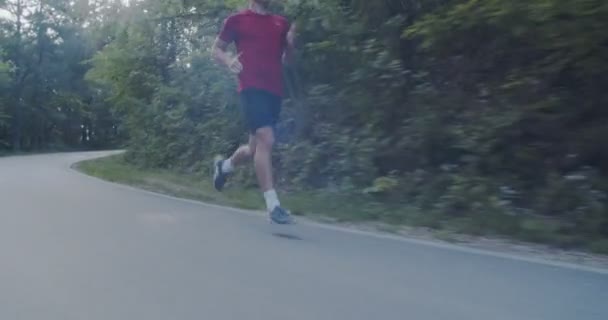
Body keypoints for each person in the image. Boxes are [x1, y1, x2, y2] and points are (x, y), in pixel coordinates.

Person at [211, 0, 296, 224]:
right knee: (266, 139)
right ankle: (273, 205)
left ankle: (224, 166)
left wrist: (290, 44)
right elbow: (216, 49)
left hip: (274, 92)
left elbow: (287, 61)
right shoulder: (237, 20)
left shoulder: (281, 23)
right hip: (250, 88)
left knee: (254, 148)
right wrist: (228, 59)